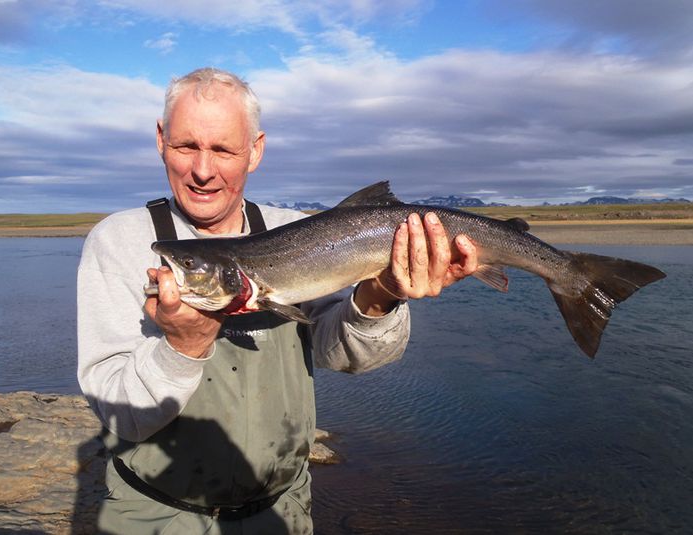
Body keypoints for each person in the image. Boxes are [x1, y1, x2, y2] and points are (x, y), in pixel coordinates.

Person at [77, 67, 478, 534]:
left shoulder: (305, 230)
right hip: (154, 513)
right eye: (186, 146)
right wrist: (182, 346)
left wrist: (381, 293)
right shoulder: (118, 242)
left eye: (223, 149)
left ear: (255, 151)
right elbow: (117, 413)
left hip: (282, 510)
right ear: (161, 140)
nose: (202, 170)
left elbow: (345, 355)